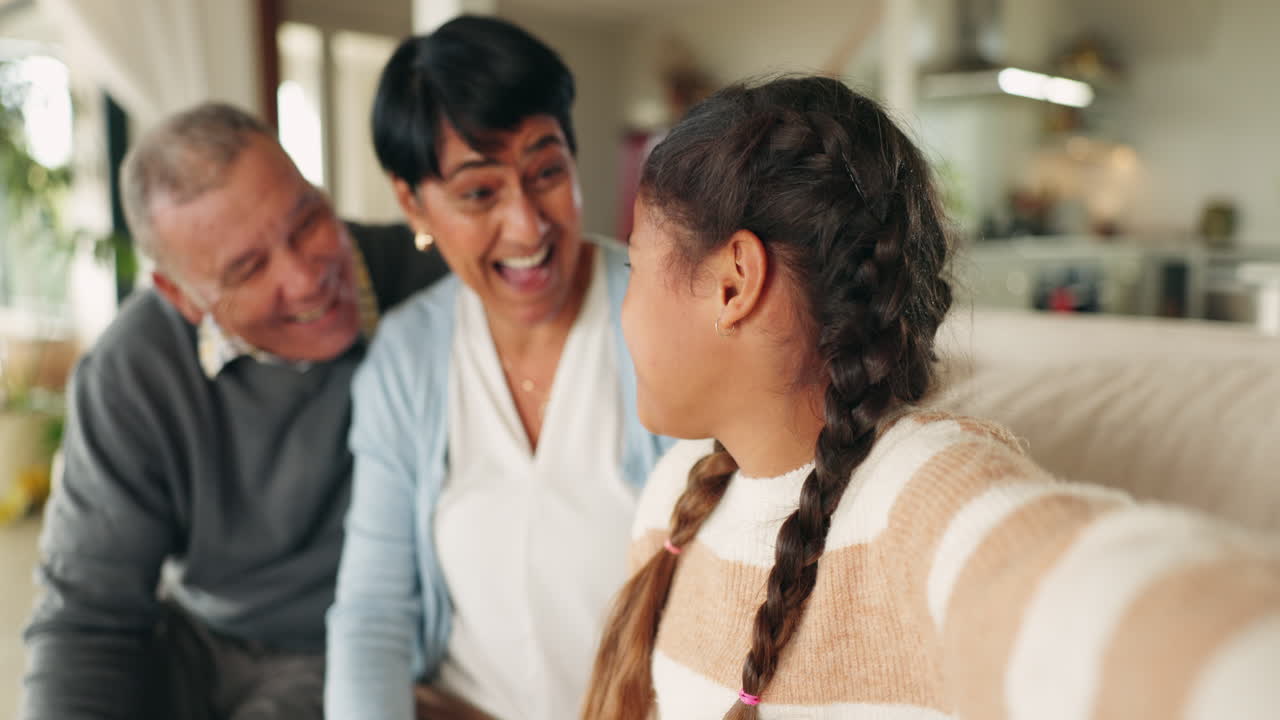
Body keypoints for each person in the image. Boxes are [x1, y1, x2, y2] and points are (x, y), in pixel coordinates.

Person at [583, 75, 1280, 720]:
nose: (625, 306)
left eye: (635, 265)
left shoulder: (922, 490)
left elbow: (1110, 604)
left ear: (734, 282)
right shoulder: (676, 495)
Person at [21, 102, 448, 720]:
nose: (305, 279)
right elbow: (89, 616)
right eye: (248, 268)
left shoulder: (430, 285)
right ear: (182, 296)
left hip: (349, 645)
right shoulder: (132, 372)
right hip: (194, 637)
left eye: (306, 222)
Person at [324, 16, 671, 720]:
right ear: (412, 201)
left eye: (546, 173)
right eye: (479, 193)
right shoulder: (406, 358)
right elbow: (373, 615)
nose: (527, 226)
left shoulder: (664, 314)